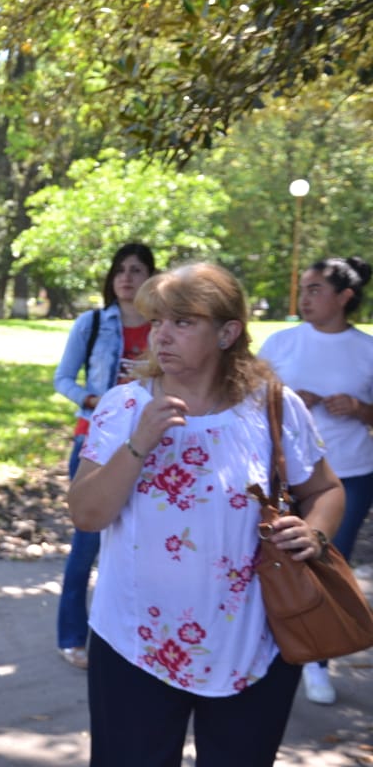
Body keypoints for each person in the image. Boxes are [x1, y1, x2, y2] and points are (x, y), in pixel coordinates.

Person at [67, 262, 344, 766]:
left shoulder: (273, 408)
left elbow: (325, 489)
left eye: (182, 322)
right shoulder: (123, 406)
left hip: (254, 641)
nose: (161, 337)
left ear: (227, 332)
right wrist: (139, 444)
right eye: (156, 323)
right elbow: (86, 514)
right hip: (134, 641)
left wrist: (316, 532)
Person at [258, 256, 373, 706]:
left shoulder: (366, 349)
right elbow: (246, 397)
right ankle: (272, 643)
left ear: (345, 297)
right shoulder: (281, 341)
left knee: (323, 560)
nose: (304, 298)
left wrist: (360, 410)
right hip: (282, 477)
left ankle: (317, 660)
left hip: (351, 472)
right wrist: (285, 402)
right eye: (303, 289)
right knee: (275, 559)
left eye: (315, 289)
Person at [52, 243, 156, 669]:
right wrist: (92, 399)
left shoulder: (164, 326)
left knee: (146, 544)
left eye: (137, 270)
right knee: (86, 543)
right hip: (94, 439)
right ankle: (73, 635)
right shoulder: (92, 323)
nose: (127, 278)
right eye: (120, 270)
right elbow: (62, 379)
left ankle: (138, 635)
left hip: (152, 442)